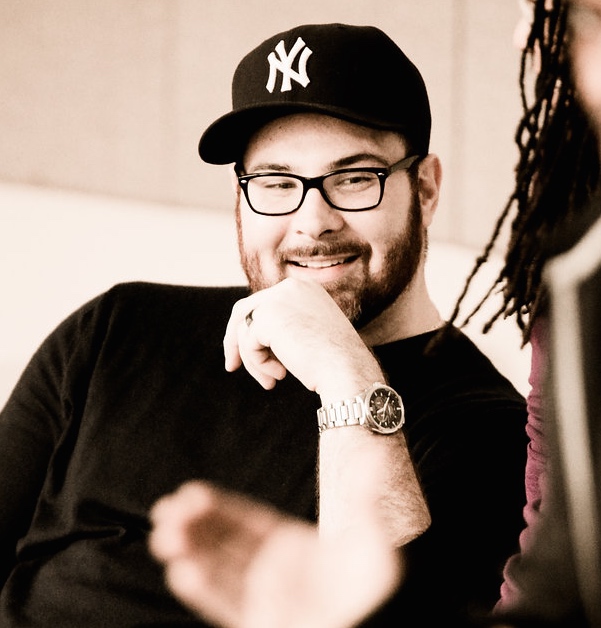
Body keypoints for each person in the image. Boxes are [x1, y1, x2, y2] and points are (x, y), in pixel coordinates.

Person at [0, 23, 528, 627]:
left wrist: (346, 375)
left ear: (425, 189)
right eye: (276, 183)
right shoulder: (116, 331)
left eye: (354, 178)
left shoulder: (493, 433)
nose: (312, 221)